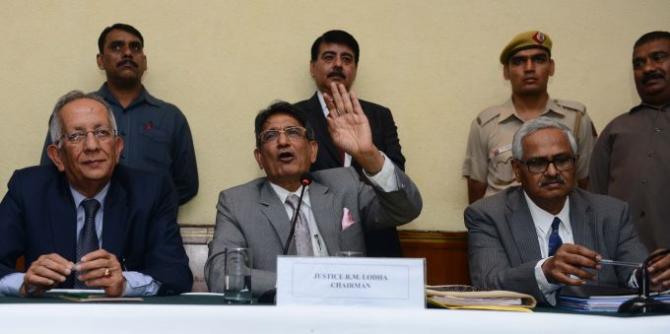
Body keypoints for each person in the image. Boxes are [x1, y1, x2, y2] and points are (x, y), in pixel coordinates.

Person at [207, 83, 422, 297]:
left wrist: (369, 155)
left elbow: (406, 209)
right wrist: (309, 281)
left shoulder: (344, 185)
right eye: (271, 136)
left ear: (312, 151)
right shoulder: (237, 202)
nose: (283, 141)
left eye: (293, 132)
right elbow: (222, 275)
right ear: (259, 158)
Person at [0, 91, 192, 297]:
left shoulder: (151, 190)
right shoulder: (28, 189)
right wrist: (24, 283)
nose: (92, 146)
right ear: (57, 157)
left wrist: (124, 284)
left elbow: (175, 273)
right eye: (76, 136)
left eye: (101, 133)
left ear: (117, 147)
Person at [465, 117, 670, 305]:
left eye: (562, 160)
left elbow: (633, 272)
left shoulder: (611, 213)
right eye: (538, 163)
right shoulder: (488, 215)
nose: (552, 172)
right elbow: (487, 285)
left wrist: (651, 275)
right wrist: (545, 272)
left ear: (576, 163)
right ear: (517, 170)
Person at [39, 23, 198, 205]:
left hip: (151, 228)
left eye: (135, 47)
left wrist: (154, 208)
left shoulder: (170, 117)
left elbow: (187, 184)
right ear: (100, 60)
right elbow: (48, 174)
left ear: (144, 62)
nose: (128, 53)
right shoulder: (72, 112)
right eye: (116, 47)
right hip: (88, 224)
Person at [294, 29, 405, 257]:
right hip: (315, 233)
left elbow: (397, 175)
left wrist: (366, 155)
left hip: (375, 235)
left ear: (354, 68)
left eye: (347, 59)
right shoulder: (292, 117)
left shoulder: (379, 116)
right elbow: (289, 177)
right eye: (328, 57)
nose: (338, 64)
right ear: (312, 67)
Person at [463, 30, 596, 204]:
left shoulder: (577, 119)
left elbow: (588, 183)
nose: (529, 68)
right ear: (506, 72)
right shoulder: (486, 124)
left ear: (551, 67)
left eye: (539, 60)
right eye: (519, 61)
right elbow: (476, 190)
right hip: (504, 227)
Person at [589, 31, 670, 251]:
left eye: (658, 57)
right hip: (626, 268)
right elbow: (594, 204)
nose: (648, 68)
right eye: (638, 63)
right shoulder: (615, 131)